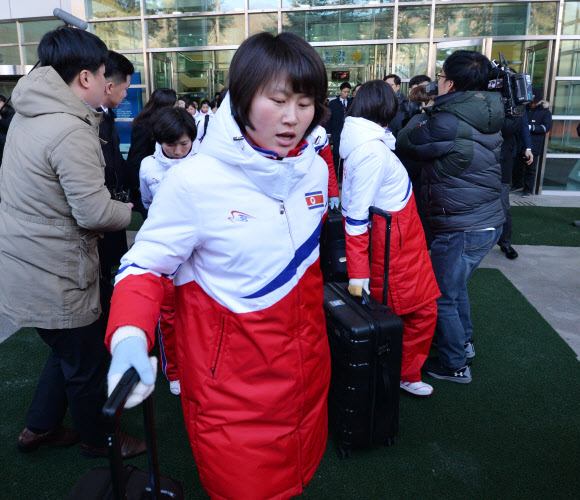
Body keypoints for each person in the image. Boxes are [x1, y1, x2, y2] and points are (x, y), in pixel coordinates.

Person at [105, 32, 331, 500]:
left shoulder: (314, 166)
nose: (293, 117)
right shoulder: (195, 181)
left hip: (310, 384)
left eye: (306, 103)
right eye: (278, 100)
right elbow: (143, 267)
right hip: (233, 400)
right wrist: (129, 338)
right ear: (244, 97)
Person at [0, 26, 144, 458]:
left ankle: (39, 428)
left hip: (29, 259)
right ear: (85, 78)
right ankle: (100, 442)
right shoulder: (69, 127)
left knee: (68, 349)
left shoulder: (32, 110)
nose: (109, 85)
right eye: (105, 76)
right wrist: (133, 214)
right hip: (55, 267)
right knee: (85, 364)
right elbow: (95, 212)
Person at [397, 50, 505, 384]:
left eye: (441, 77)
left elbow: (406, 142)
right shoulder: (487, 110)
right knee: (455, 290)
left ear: (452, 83)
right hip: (486, 219)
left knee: (441, 296)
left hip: (462, 224)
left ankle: (455, 364)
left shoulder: (447, 119)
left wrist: (422, 113)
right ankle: (464, 344)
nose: (436, 82)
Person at [340, 80, 440, 397]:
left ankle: (401, 372)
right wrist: (358, 276)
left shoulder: (366, 143)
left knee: (415, 312)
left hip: (400, 241)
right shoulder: (371, 151)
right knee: (417, 313)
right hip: (396, 246)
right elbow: (355, 218)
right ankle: (401, 374)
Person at [139, 107, 197, 397]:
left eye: (184, 144)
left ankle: (199, 365)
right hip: (166, 252)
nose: (177, 151)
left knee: (200, 311)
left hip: (200, 252)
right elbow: (147, 204)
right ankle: (173, 370)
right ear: (160, 140)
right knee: (168, 315)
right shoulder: (148, 166)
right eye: (171, 144)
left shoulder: (205, 163)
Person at [98, 51, 135, 304]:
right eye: (126, 89)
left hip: (113, 204)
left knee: (112, 264)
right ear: (110, 86)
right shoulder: (86, 121)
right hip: (99, 210)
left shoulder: (106, 115)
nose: (126, 95)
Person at [125, 87, 177, 218]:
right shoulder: (144, 126)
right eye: (174, 104)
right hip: (147, 183)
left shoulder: (161, 123)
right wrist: (139, 185)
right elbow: (135, 158)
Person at [497, 114, 533, 260]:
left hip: (505, 155)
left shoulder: (515, 97)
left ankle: (505, 242)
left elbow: (523, 124)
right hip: (481, 154)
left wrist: (528, 147)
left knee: (503, 204)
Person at [512, 89, 552, 197]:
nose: (533, 104)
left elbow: (546, 127)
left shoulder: (545, 112)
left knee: (531, 169)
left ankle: (527, 190)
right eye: (531, 102)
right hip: (521, 143)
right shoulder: (524, 108)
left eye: (536, 102)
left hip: (534, 144)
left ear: (541, 100)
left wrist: (530, 127)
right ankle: (516, 185)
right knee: (517, 166)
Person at [326, 81, 352, 176]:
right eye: (345, 92)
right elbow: (329, 118)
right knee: (336, 155)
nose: (346, 94)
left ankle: (342, 176)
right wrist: (328, 132)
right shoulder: (333, 103)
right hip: (336, 133)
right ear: (340, 91)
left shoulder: (351, 102)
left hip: (348, 134)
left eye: (348, 92)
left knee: (345, 156)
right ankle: (335, 176)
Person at [383, 73, 409, 138]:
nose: (387, 88)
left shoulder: (405, 102)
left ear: (398, 87)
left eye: (390, 85)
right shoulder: (380, 100)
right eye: (385, 85)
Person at [0, 94, 15, 167]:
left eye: (0, 102)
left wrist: (1, 119)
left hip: (6, 145)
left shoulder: (11, 113)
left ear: (4, 102)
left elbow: (11, 127)